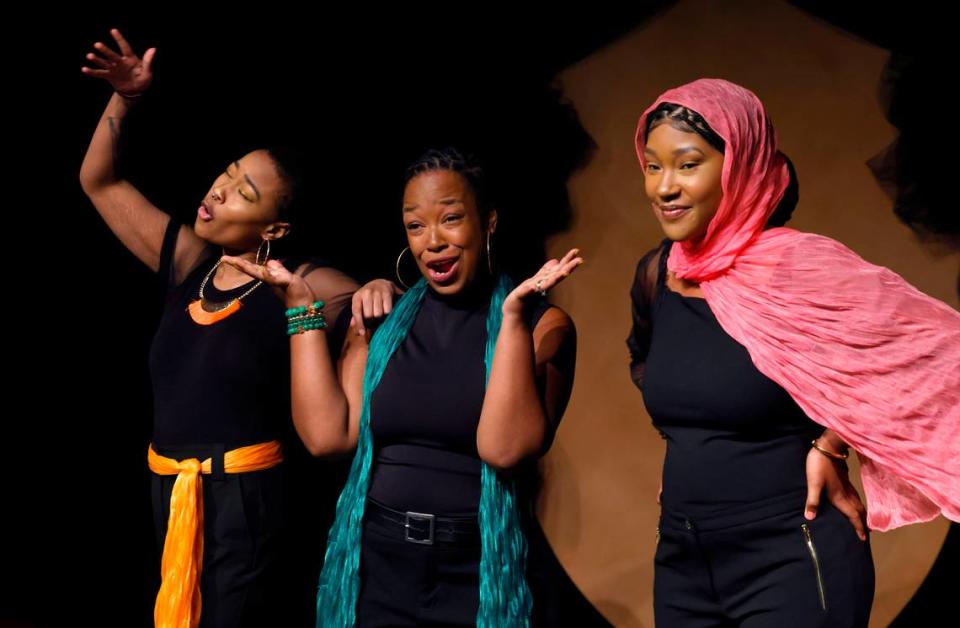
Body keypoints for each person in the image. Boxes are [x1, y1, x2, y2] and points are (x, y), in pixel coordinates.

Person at [627, 78, 959, 627]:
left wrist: (831, 443)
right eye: (652, 165)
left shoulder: (799, 269)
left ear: (739, 168)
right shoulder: (657, 273)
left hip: (791, 553)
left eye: (687, 164)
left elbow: (936, 357)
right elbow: (648, 363)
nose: (664, 187)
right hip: (683, 559)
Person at [224, 147, 582, 626]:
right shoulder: (382, 318)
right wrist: (299, 307)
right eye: (416, 225)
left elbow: (505, 449)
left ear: (488, 221)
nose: (432, 241)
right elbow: (327, 436)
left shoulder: (544, 327)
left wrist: (513, 320)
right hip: (378, 567)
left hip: (476, 572)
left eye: (451, 218)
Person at [79, 28, 357, 627]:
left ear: (273, 229)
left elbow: (365, 300)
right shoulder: (188, 260)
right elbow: (98, 180)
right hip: (169, 496)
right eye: (227, 175)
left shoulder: (298, 279)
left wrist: (381, 287)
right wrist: (124, 100)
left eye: (243, 193)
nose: (219, 191)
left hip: (246, 508)